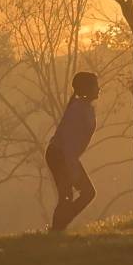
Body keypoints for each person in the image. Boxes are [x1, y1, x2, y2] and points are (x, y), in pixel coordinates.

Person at [46, 71, 100, 232]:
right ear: (87, 88)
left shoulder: (84, 107)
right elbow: (69, 144)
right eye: (95, 86)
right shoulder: (78, 110)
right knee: (70, 196)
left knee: (75, 195)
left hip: (63, 156)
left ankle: (58, 228)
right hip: (59, 156)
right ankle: (57, 229)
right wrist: (73, 168)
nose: (99, 89)